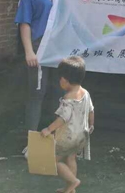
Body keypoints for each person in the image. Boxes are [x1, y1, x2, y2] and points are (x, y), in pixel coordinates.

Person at [14, 0, 63, 155]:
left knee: (61, 93)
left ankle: (59, 139)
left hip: (60, 47)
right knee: (37, 93)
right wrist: (28, 51)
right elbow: (24, 23)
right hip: (38, 47)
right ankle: (32, 142)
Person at [40, 56, 94, 193]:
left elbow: (63, 118)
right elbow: (91, 110)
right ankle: (71, 189)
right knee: (71, 158)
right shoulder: (86, 93)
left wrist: (49, 129)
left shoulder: (68, 98)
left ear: (64, 79)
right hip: (81, 135)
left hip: (68, 137)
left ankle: (73, 181)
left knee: (54, 161)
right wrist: (91, 125)